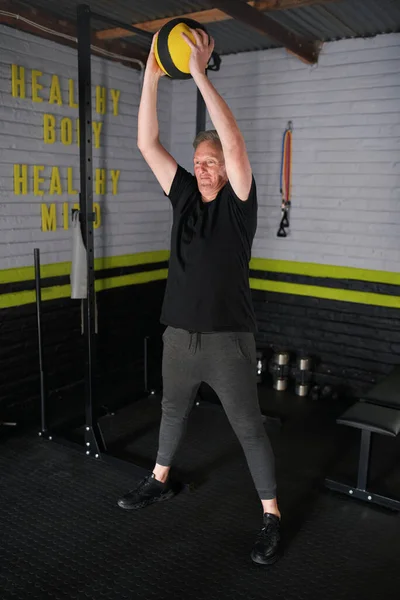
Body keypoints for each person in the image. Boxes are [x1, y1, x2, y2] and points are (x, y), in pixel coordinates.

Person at [118, 28, 281, 566]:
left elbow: (233, 143)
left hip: (228, 341)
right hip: (178, 338)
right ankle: (159, 478)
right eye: (201, 160)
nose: (206, 167)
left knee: (248, 428)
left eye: (213, 160)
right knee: (171, 412)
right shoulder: (185, 195)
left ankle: (271, 515)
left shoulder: (239, 203)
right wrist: (150, 75)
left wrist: (198, 76)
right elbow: (147, 144)